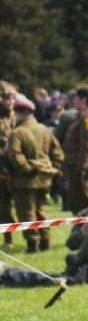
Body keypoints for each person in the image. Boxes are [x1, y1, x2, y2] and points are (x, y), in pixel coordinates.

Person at [6, 97, 64, 253]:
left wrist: (27, 169)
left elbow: (15, 155)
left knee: (26, 212)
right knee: (40, 210)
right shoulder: (44, 129)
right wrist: (51, 169)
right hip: (45, 179)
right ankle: (45, 240)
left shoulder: (17, 133)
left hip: (25, 181)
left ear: (19, 114)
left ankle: (33, 244)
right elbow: (58, 153)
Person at [61, 87, 88, 213]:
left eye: (76, 99)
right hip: (77, 165)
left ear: (83, 100)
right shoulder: (83, 117)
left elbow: (87, 147)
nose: (73, 101)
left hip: (81, 168)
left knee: (84, 203)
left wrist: (81, 170)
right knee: (78, 202)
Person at [0, 80, 18, 249]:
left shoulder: (14, 115)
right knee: (3, 204)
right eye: (7, 98)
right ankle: (8, 238)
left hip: (14, 166)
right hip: (1, 167)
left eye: (12, 97)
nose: (11, 101)